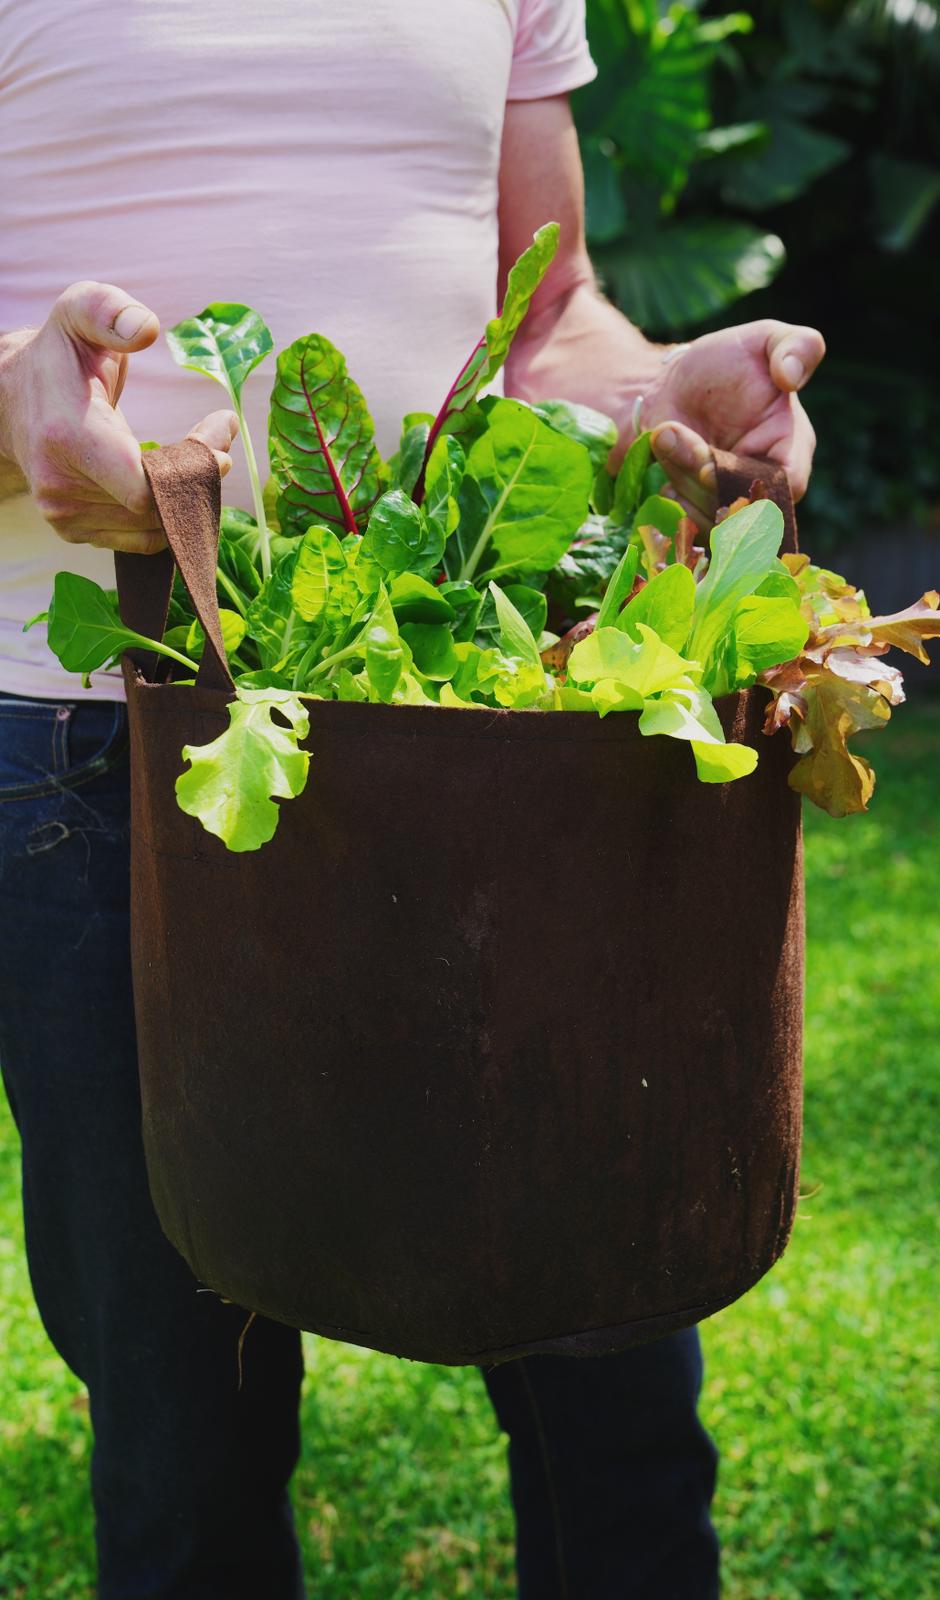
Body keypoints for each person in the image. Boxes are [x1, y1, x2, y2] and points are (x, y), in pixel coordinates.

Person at [0, 2, 824, 1595]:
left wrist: (660, 392)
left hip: (494, 721)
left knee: (615, 1380)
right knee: (182, 1432)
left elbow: (551, 309)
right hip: (97, 758)